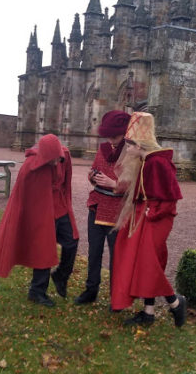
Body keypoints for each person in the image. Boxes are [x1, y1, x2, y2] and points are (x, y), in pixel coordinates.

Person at [110, 112, 187, 327]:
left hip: (156, 219)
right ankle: (149, 312)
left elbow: (170, 200)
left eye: (130, 144)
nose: (128, 149)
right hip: (146, 216)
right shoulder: (147, 162)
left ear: (139, 144)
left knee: (147, 262)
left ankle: (175, 302)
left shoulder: (157, 164)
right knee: (140, 262)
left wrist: (151, 213)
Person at [0, 134, 79, 307]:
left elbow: (66, 183)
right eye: (50, 160)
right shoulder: (30, 166)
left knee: (72, 241)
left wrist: (67, 206)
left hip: (59, 206)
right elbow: (22, 196)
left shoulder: (64, 156)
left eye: (56, 159)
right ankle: (37, 291)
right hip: (41, 210)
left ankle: (61, 276)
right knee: (43, 247)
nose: (54, 163)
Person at [74, 110, 131, 305]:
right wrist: (93, 176)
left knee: (117, 257)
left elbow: (135, 185)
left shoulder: (132, 153)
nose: (112, 140)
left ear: (125, 133)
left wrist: (113, 183)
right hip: (96, 207)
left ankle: (117, 297)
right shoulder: (103, 148)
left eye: (115, 136)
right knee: (94, 252)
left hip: (117, 211)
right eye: (109, 136)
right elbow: (93, 170)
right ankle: (91, 291)